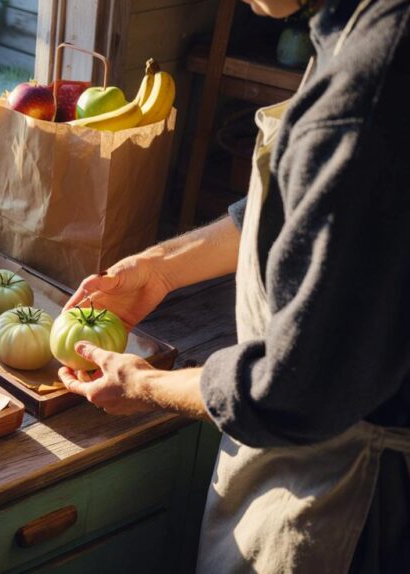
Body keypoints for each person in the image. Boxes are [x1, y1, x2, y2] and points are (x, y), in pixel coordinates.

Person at [57, 0, 410, 571]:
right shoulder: (361, 28)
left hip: (353, 502)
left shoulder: (372, 86)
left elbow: (291, 387)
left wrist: (145, 385)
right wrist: (161, 265)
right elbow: (309, 208)